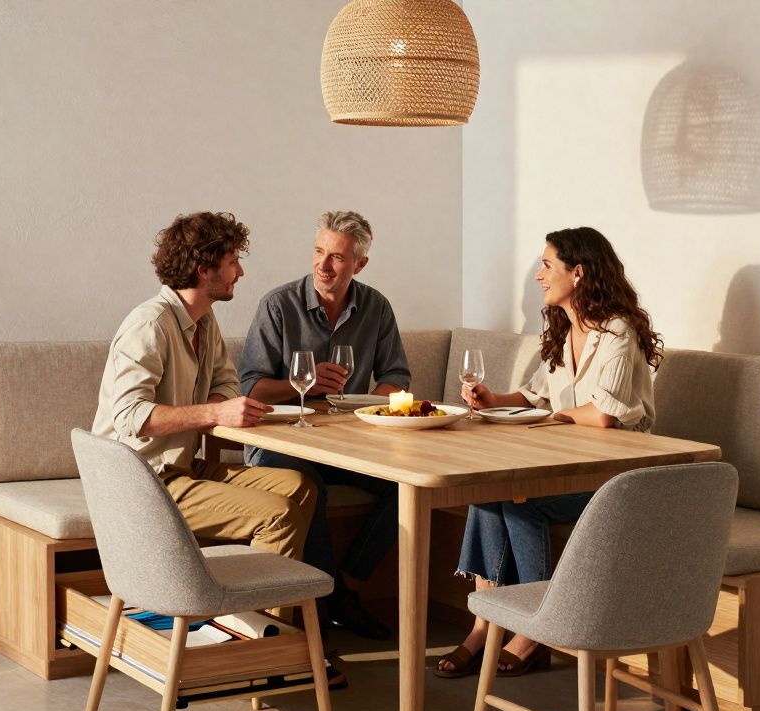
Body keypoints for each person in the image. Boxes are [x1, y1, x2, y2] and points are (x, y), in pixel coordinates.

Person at [434, 226, 663, 678]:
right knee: (487, 492)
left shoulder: (618, 332)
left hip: (615, 479)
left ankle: (536, 629)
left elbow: (604, 415)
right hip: (567, 466)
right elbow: (537, 394)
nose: (539, 275)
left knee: (524, 505)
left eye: (546, 265)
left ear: (577, 273)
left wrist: (556, 418)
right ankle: (485, 623)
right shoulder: (565, 326)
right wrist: (492, 399)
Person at [92, 211, 318, 561]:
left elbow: (228, 382)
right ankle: (249, 617)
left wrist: (221, 407)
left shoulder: (204, 320)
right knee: (280, 514)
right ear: (204, 270)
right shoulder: (150, 325)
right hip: (140, 481)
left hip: (180, 467)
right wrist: (215, 412)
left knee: (300, 486)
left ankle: (265, 603)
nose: (240, 272)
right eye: (232, 262)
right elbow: (129, 416)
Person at [238, 210, 410, 640]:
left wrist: (369, 403)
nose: (323, 264)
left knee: (406, 487)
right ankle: (322, 601)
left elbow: (397, 378)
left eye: (336, 256)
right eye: (318, 251)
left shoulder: (377, 307)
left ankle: (344, 588)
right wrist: (307, 382)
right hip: (278, 442)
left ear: (359, 264)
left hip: (348, 441)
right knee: (305, 482)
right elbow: (252, 389)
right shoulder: (278, 305)